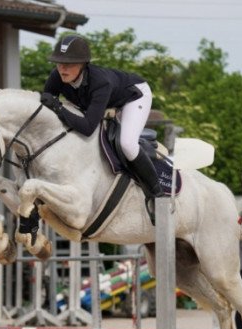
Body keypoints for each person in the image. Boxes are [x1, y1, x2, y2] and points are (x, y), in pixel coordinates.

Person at [40, 35, 163, 220]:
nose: (62, 68)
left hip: (134, 96)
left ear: (83, 64)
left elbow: (88, 126)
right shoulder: (56, 76)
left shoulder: (100, 82)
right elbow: (45, 105)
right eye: (59, 63)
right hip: (108, 101)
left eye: (69, 64)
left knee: (127, 144)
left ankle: (157, 194)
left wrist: (58, 107)